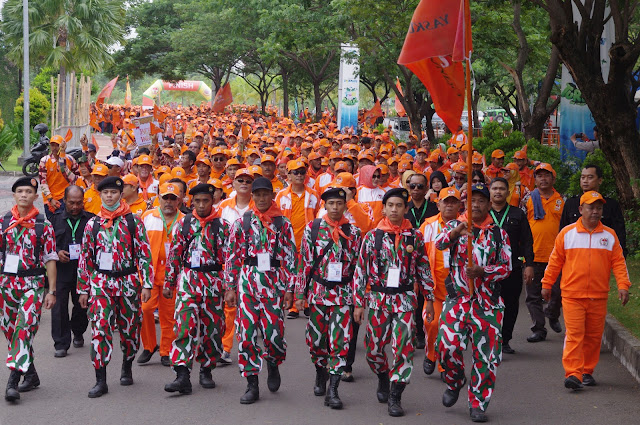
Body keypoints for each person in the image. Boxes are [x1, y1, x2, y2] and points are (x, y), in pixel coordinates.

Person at [353, 188, 434, 417]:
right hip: (379, 299)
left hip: (405, 299)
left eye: (399, 205)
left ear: (405, 209)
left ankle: (396, 394)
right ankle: (382, 375)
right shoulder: (372, 236)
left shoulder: (414, 236)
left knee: (403, 348)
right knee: (373, 349)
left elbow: (423, 268)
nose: (395, 209)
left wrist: (428, 298)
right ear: (385, 208)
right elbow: (361, 271)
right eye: (390, 205)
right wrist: (359, 303)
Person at [436, 183, 512, 423]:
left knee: (487, 357)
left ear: (489, 205)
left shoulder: (498, 233)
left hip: (487, 305)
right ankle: (455, 379)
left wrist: (484, 271)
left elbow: (506, 267)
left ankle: (478, 402)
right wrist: (457, 231)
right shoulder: (454, 226)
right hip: (458, 299)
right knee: (447, 346)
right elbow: (439, 243)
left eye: (481, 200)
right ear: (464, 204)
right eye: (472, 200)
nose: (476, 205)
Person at [541, 191, 630, 389]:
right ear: (581, 210)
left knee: (593, 336)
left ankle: (587, 371)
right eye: (591, 207)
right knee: (574, 334)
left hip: (598, 296)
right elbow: (555, 261)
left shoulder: (610, 235)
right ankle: (573, 373)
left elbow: (619, 263)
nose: (595, 211)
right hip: (572, 295)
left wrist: (623, 286)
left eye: (599, 208)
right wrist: (547, 284)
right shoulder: (567, 233)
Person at [77, 176, 153, 398]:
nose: (109, 196)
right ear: (100, 195)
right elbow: (85, 259)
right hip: (101, 283)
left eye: (113, 192)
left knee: (130, 329)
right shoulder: (93, 224)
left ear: (121, 194)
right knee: (100, 328)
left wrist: (146, 283)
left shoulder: (133, 221)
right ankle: (100, 380)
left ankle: (127, 365)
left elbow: (144, 254)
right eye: (105, 193)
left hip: (128, 282)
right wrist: (83, 288)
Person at [224, 177, 297, 404]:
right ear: (252, 196)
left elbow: (291, 257)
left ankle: (273, 362)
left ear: (272, 195)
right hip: (247, 284)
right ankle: (252, 382)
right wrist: (230, 287)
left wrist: (290, 289)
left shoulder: (283, 224)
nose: (262, 198)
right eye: (258, 194)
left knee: (274, 334)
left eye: (266, 194)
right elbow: (232, 257)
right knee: (245, 335)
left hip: (274, 284)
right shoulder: (242, 222)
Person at [296, 187, 363, 409]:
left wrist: (358, 301)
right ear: (324, 205)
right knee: (315, 342)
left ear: (345, 205)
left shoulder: (354, 232)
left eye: (339, 203)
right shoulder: (312, 229)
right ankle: (320, 371)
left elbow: (357, 269)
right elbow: (305, 262)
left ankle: (333, 389)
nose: (335, 208)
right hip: (317, 293)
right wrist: (299, 294)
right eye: (331, 203)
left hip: (343, 295)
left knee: (340, 341)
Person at [163, 183, 228, 394]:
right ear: (191, 202)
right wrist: (169, 282)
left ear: (213, 201)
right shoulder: (184, 224)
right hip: (189, 282)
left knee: (213, 330)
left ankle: (207, 368)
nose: (201, 205)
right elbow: (175, 254)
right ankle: (182, 374)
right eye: (197, 201)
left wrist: (230, 287)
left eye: (205, 201)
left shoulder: (223, 226)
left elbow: (232, 259)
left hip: (214, 284)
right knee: (184, 327)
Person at [1, 177, 58, 402]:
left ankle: (13, 381)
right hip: (6, 285)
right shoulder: (4, 222)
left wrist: (51, 291)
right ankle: (31, 375)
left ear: (35, 197)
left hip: (33, 284)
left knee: (23, 328)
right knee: (11, 332)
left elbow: (50, 258)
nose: (24, 194)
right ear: (14, 195)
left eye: (28, 191)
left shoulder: (43, 225)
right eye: (20, 191)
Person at [138, 183, 185, 367]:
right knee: (145, 309)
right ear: (158, 197)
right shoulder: (148, 217)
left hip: (172, 276)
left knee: (169, 315)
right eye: (165, 197)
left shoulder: (184, 221)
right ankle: (149, 346)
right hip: (150, 275)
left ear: (179, 200)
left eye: (173, 198)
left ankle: (166, 350)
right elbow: (140, 247)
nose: (168, 201)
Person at [489, 177, 534, 354]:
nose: (498, 191)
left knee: (511, 304)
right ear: (490, 191)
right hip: (488, 271)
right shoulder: (483, 215)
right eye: (495, 188)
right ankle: (491, 339)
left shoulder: (518, 214)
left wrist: (529, 265)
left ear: (508, 193)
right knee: (489, 305)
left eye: (502, 189)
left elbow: (527, 242)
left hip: (512, 268)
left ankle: (505, 339)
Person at [419, 187, 461, 376]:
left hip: (458, 292)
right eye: (446, 201)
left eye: (453, 201)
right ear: (439, 203)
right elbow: (419, 256)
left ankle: (446, 366)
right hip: (434, 290)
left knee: (451, 332)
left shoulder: (465, 226)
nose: (449, 205)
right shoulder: (427, 226)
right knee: (432, 325)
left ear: (460, 205)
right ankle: (430, 354)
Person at [217, 168, 255, 366]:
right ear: (233, 183)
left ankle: (250, 346)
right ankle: (225, 347)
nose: (243, 183)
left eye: (248, 181)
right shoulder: (223, 206)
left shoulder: (260, 206)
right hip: (229, 263)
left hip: (253, 265)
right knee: (229, 305)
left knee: (251, 307)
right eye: (240, 180)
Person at [523, 163, 564, 343]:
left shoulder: (562, 200)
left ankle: (552, 313)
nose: (543, 179)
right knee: (533, 296)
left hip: (557, 257)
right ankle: (539, 329)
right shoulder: (528, 199)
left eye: (546, 175)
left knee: (558, 292)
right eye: (539, 175)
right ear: (535, 179)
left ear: (553, 178)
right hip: (533, 255)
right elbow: (521, 228)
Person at [50, 185, 92, 358]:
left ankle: (78, 331)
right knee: (59, 307)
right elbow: (48, 244)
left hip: (82, 272)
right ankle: (61, 343)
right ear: (64, 201)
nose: (75, 207)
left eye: (79, 203)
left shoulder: (90, 220)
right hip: (61, 270)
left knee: (81, 305)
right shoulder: (55, 220)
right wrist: (58, 251)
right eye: (71, 203)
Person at [274, 159, 320, 319]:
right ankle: (293, 306)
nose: (300, 175)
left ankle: (305, 303)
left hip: (307, 241)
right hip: (288, 242)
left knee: (307, 272)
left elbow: (318, 216)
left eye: (302, 172)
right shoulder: (281, 195)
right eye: (296, 172)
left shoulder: (313, 195)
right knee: (291, 273)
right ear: (288, 175)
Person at [559, 164, 626, 255]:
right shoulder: (571, 203)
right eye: (583, 177)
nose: (585, 181)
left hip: (602, 254)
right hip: (574, 255)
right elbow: (562, 231)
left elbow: (620, 234)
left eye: (590, 177)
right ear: (580, 209)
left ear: (600, 180)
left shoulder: (610, 205)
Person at [38, 135, 79, 220]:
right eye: (52, 145)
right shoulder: (44, 161)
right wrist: (50, 199)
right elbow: (43, 182)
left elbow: (77, 179)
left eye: (57, 145)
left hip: (67, 199)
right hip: (50, 200)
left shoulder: (70, 159)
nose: (55, 148)